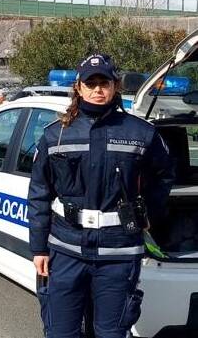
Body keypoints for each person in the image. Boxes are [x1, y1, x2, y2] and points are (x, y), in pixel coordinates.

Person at [28, 54, 175, 338]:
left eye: (104, 82)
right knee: (60, 332)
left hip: (118, 253)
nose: (98, 89)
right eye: (91, 83)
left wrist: (146, 214)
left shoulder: (141, 133)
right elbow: (39, 193)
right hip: (66, 249)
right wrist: (38, 249)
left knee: (110, 333)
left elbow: (164, 175)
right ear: (79, 88)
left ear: (115, 86)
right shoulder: (56, 135)